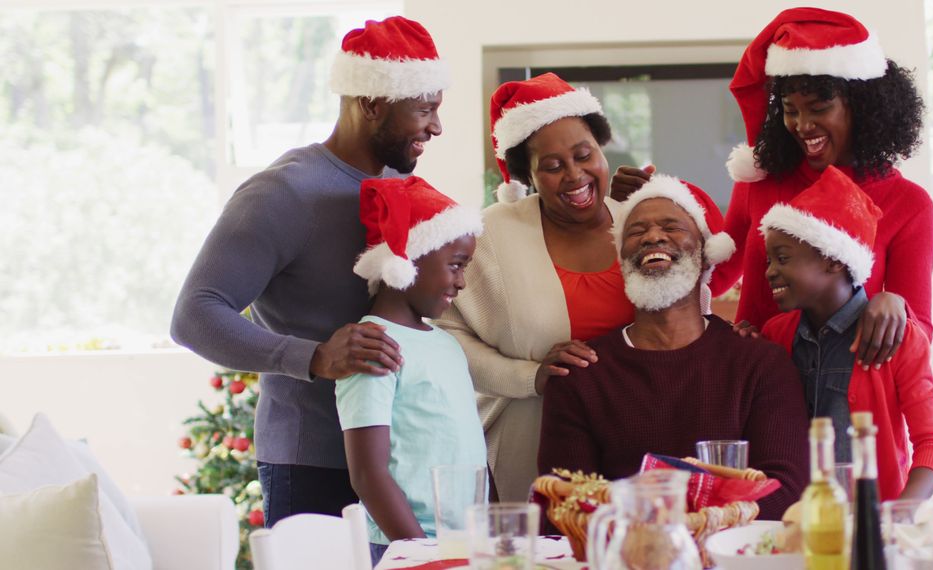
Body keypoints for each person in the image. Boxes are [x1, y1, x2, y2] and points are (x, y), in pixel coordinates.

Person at [170, 16, 448, 526]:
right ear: (372, 103)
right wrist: (315, 357)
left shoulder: (399, 185)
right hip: (312, 462)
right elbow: (193, 315)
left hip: (397, 459)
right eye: (425, 110)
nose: (435, 127)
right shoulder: (283, 193)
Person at [612, 8, 933, 370]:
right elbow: (712, 280)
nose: (802, 125)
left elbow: (921, 332)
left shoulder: (908, 204)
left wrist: (896, 306)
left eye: (818, 107)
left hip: (849, 398)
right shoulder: (761, 183)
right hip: (757, 387)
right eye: (789, 110)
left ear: (863, 107)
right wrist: (651, 204)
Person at [537, 174, 809, 520]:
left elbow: (785, 490)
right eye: (636, 232)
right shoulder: (580, 374)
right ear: (621, 259)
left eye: (672, 226)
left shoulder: (761, 365)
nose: (652, 237)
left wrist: (669, 521)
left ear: (707, 254)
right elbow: (563, 503)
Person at [435, 73, 636, 502]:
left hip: (635, 444)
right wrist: (529, 376)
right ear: (527, 174)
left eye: (585, 155)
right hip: (528, 450)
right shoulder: (489, 234)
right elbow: (442, 334)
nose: (574, 174)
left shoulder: (643, 223)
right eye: (552, 166)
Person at [759, 166, 933, 501]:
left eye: (783, 258)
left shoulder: (900, 337)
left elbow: (932, 443)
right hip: (799, 520)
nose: (770, 272)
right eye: (769, 261)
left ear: (834, 260)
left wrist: (901, 513)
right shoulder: (776, 335)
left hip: (875, 522)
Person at [337, 176, 486, 564]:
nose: (462, 281)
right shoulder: (372, 345)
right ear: (407, 260)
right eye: (455, 265)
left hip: (459, 545)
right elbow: (368, 474)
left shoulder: (445, 342)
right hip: (405, 547)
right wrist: (423, 555)